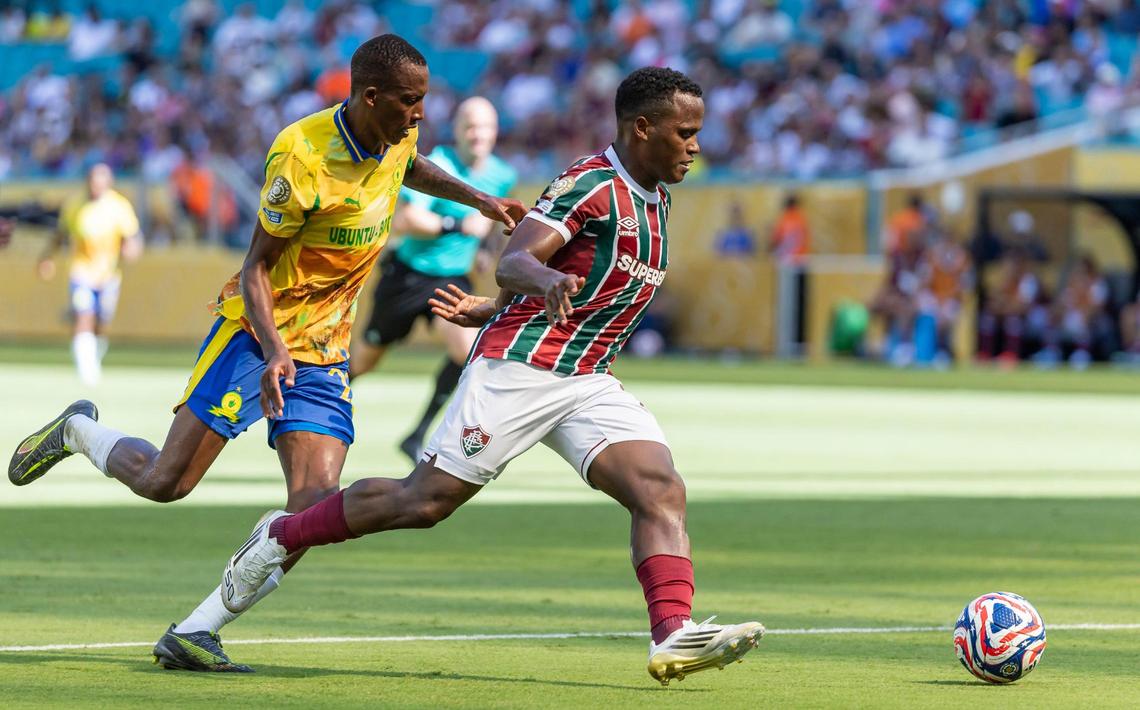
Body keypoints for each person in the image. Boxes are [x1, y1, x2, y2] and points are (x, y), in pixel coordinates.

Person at [215, 67, 763, 686]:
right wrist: (539, 282)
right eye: (684, 132)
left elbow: (583, 281)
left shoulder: (655, 196)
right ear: (642, 128)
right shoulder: (591, 185)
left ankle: (672, 636)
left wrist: (501, 304)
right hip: (521, 369)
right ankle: (282, 534)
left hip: (586, 377)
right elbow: (516, 258)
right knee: (422, 502)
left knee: (660, 488)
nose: (695, 145)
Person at [8, 34, 526, 673]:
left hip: (326, 350)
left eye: (423, 101)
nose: (420, 114)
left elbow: (411, 166)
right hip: (257, 337)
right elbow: (255, 268)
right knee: (166, 482)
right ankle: (78, 430)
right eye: (409, 102)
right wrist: (276, 348)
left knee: (313, 508)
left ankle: (197, 630)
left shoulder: (398, 134)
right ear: (370, 97)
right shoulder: (302, 154)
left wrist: (479, 198)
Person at [351, 96, 518, 463]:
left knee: (469, 352)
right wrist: (457, 225)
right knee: (362, 362)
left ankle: (418, 435)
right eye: (470, 126)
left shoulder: (502, 174)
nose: (478, 134)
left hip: (452, 278)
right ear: (457, 130)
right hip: (409, 277)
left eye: (485, 126)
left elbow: (487, 222)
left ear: (495, 132)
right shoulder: (438, 164)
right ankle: (311, 406)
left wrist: (484, 249)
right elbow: (407, 220)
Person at [38, 163, 143, 386]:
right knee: (84, 314)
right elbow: (61, 234)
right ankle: (87, 370)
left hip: (108, 274)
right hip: (81, 272)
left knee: (102, 320)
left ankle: (93, 353)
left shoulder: (118, 206)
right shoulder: (75, 205)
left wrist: (132, 249)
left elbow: (132, 236)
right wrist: (47, 257)